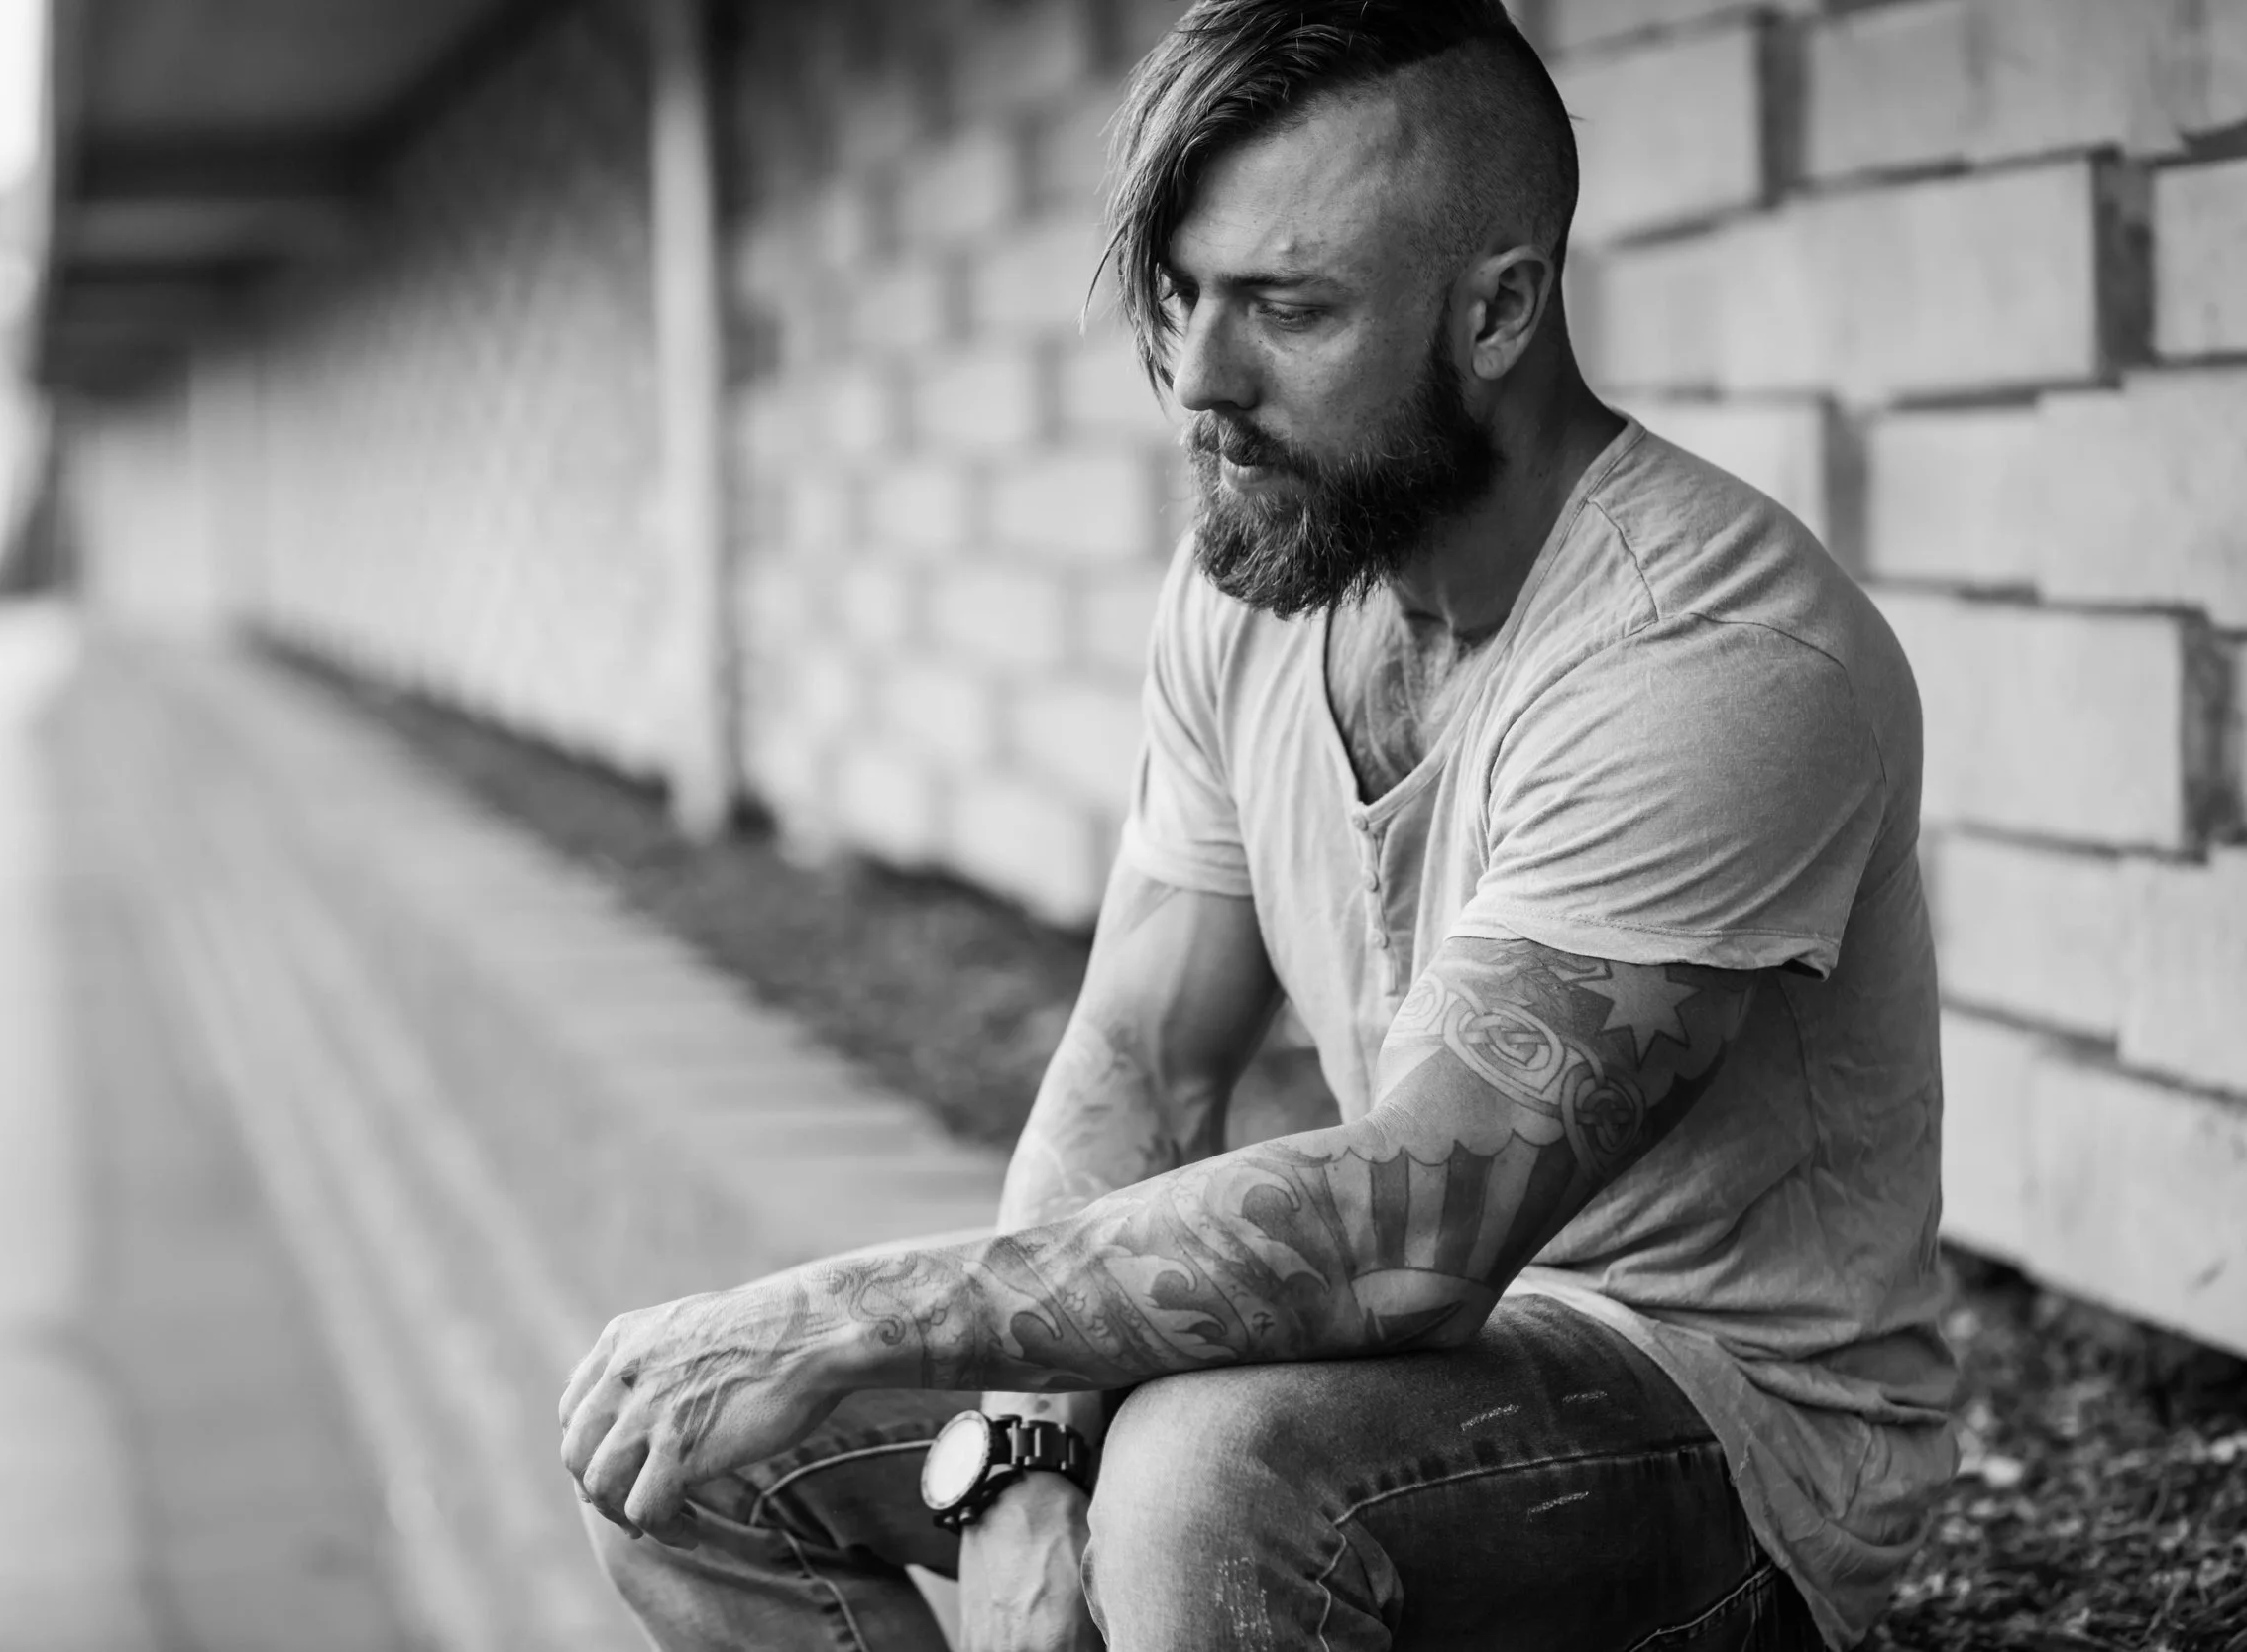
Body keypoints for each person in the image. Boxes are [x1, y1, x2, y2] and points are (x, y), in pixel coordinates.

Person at [559, 2, 1957, 1646]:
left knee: (1204, 1471)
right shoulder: (1263, 578)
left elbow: (1417, 1230)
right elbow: (1138, 1071)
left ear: (1499, 309)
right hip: (1389, 1372)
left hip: (1719, 1435)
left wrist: (852, 1312)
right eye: (1184, 298)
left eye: (1286, 310)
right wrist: (1014, 1461)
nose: (1202, 386)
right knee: (686, 1444)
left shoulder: (1713, 654)